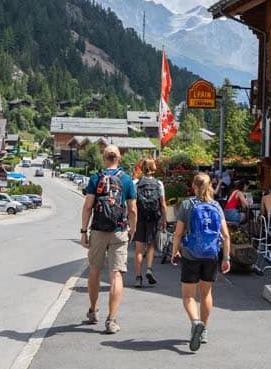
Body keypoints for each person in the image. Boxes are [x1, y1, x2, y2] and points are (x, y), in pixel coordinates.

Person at [171, 172, 231, 352]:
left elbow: (178, 233)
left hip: (190, 255)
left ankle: (195, 322)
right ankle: (203, 330)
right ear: (210, 186)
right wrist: (226, 258)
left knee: (189, 295)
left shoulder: (187, 205)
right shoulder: (216, 206)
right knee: (206, 293)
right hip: (211, 256)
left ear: (194, 186)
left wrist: (175, 251)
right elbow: (226, 235)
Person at [80, 146, 137, 334]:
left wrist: (83, 231)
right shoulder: (127, 179)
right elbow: (133, 210)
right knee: (116, 274)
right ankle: (111, 320)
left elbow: (88, 207)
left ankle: (93, 310)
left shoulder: (96, 178)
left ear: (104, 158)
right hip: (119, 230)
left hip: (97, 229)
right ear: (119, 158)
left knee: (95, 270)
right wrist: (132, 229)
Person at [132, 158, 166, 288]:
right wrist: (164, 220)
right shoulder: (159, 184)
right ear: (153, 168)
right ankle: (149, 269)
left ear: (142, 168)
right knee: (151, 245)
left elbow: (133, 204)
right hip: (153, 218)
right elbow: (162, 204)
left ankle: (138, 277)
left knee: (138, 249)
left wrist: (131, 221)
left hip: (140, 218)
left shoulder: (136, 183)